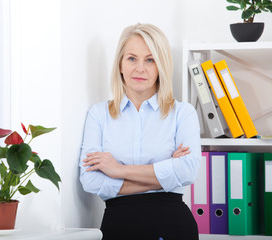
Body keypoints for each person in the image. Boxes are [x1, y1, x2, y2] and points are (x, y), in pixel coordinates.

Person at [79, 23, 201, 240]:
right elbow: (90, 181)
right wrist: (166, 175)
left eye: (150, 59)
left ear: (161, 65)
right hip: (118, 227)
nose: (140, 68)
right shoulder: (99, 114)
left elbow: (187, 172)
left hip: (173, 226)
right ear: (120, 64)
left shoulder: (183, 113)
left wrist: (118, 170)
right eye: (132, 58)